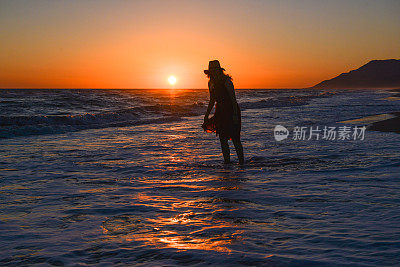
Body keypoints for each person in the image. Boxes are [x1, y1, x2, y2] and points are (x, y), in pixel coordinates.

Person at [202, 60, 244, 165]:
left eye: (215, 70)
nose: (213, 72)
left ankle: (242, 163)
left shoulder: (227, 81)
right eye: (212, 70)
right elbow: (212, 100)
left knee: (235, 139)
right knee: (222, 139)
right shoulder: (210, 83)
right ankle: (227, 164)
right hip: (220, 112)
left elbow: (233, 99)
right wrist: (206, 115)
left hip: (231, 110)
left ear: (219, 70)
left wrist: (235, 115)